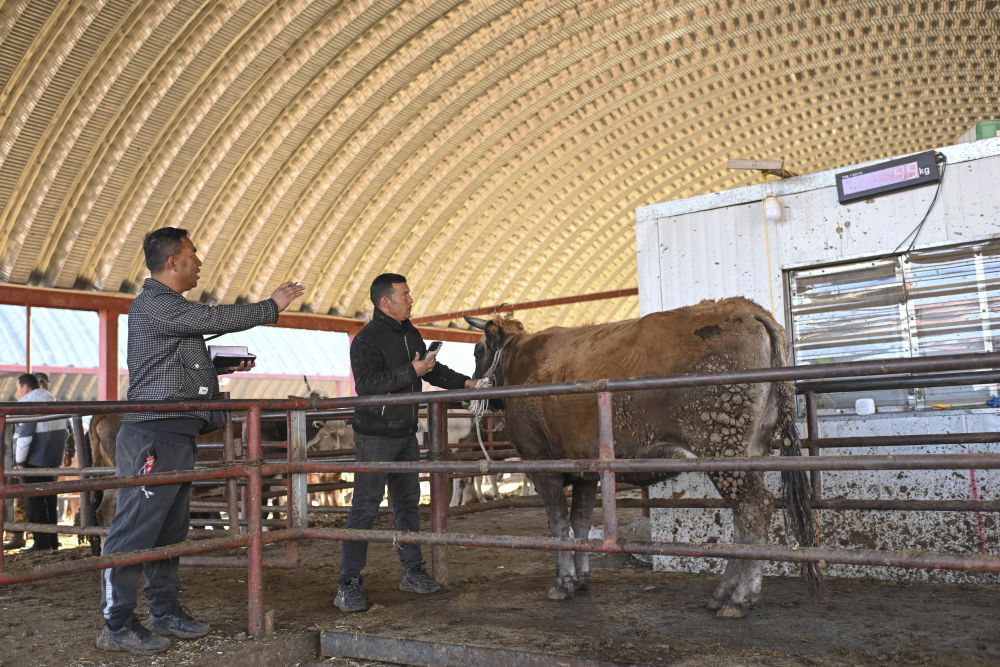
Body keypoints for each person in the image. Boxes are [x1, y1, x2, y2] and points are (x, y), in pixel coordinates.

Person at [96, 227, 304, 655]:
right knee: (134, 531)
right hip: (154, 432)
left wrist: (215, 369)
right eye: (193, 254)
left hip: (177, 432)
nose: (199, 261)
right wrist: (269, 307)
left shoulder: (170, 309)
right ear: (172, 262)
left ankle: (165, 610)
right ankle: (116, 624)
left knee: (168, 531)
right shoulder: (155, 303)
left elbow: (183, 350)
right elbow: (209, 319)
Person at [334, 273, 476, 613]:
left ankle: (413, 572)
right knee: (365, 508)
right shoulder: (367, 339)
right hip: (375, 436)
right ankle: (348, 583)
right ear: (386, 301)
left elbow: (432, 371)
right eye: (405, 294)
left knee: (409, 505)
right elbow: (368, 385)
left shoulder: (411, 333)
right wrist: (411, 370)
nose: (411, 299)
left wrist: (467, 384)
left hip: (405, 434)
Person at [12, 373, 68, 552]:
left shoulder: (28, 403)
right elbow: (66, 432)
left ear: (25, 387)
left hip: (33, 460)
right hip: (52, 459)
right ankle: (52, 540)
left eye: (18, 388)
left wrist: (19, 461)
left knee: (34, 501)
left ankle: (40, 542)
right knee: (50, 499)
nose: (18, 392)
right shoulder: (53, 399)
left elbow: (24, 436)